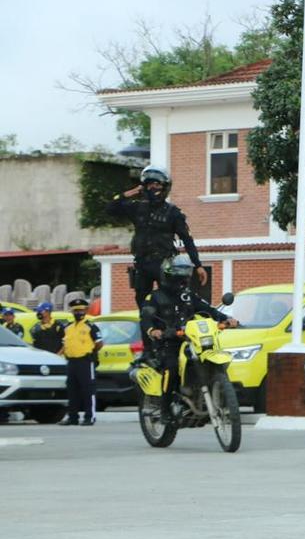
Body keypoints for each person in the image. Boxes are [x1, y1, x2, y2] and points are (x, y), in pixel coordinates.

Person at [140, 255, 238, 425]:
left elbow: (208, 310)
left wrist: (227, 319)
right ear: (169, 275)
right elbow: (145, 317)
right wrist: (153, 330)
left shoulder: (188, 295)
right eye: (180, 274)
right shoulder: (155, 297)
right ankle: (164, 409)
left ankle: (214, 396)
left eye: (186, 274)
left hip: (190, 339)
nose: (184, 278)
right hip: (168, 341)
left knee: (207, 355)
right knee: (171, 367)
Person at [107, 165, 208, 310]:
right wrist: (133, 192)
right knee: (142, 304)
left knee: (168, 302)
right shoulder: (137, 208)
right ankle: (148, 330)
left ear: (164, 186)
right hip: (142, 263)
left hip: (164, 264)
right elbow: (111, 208)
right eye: (149, 184)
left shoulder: (173, 213)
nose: (153, 187)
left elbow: (187, 240)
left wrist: (198, 265)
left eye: (157, 184)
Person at [60, 298, 103, 426]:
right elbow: (65, 344)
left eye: (81, 310)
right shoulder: (68, 327)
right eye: (76, 310)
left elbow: (99, 344)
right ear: (72, 312)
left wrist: (90, 353)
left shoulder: (91, 326)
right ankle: (73, 417)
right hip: (71, 361)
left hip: (85, 361)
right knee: (72, 390)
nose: (79, 312)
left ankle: (90, 417)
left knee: (88, 390)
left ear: (85, 310)